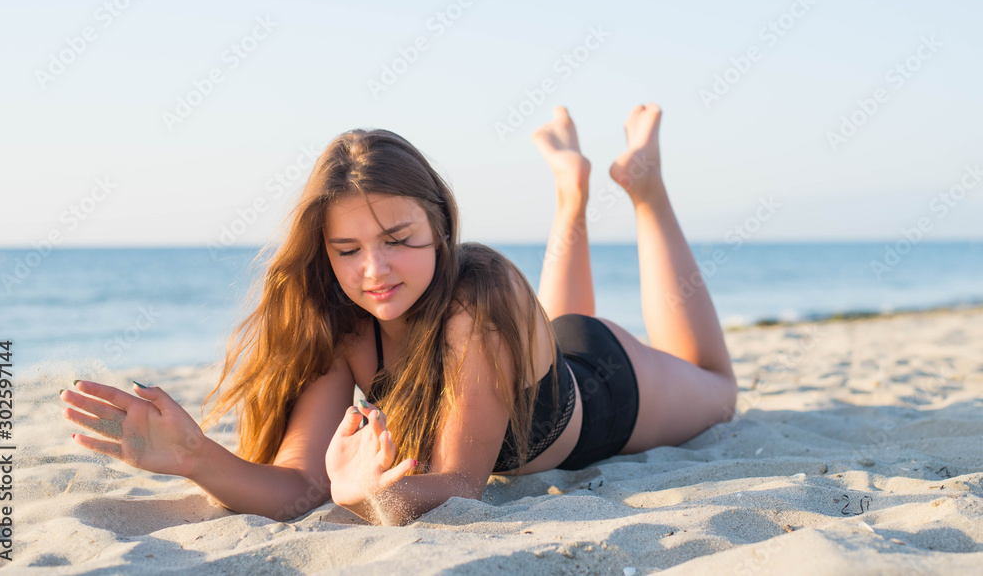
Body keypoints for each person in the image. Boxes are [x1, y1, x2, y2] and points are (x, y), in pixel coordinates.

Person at [61, 104, 737, 525]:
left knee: (719, 387)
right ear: (323, 251)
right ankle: (571, 191)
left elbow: (464, 486)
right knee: (552, 322)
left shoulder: (481, 296)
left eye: (400, 240)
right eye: (347, 249)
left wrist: (367, 497)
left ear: (440, 227)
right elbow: (299, 488)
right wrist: (197, 457)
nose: (373, 271)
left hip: (608, 387)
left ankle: (643, 187)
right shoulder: (341, 324)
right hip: (532, 354)